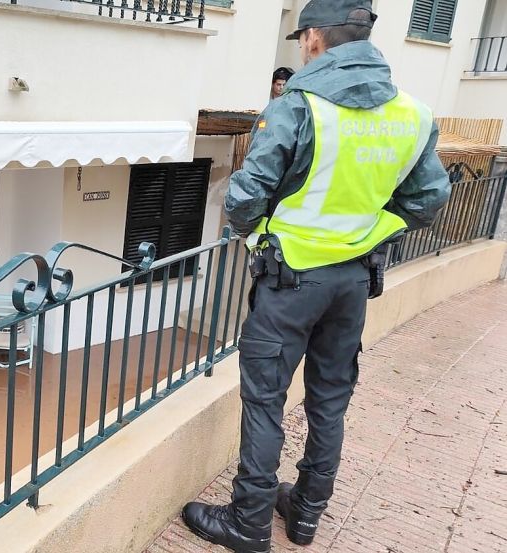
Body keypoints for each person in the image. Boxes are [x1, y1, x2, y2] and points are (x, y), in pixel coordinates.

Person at [181, 1, 451, 552]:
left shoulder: (298, 103)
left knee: (265, 400)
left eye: (302, 36)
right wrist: (371, 231)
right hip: (353, 282)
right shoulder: (413, 114)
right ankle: (305, 514)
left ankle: (249, 522)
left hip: (292, 280)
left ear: (314, 40)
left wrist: (260, 233)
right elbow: (428, 199)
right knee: (329, 400)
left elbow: (244, 197)